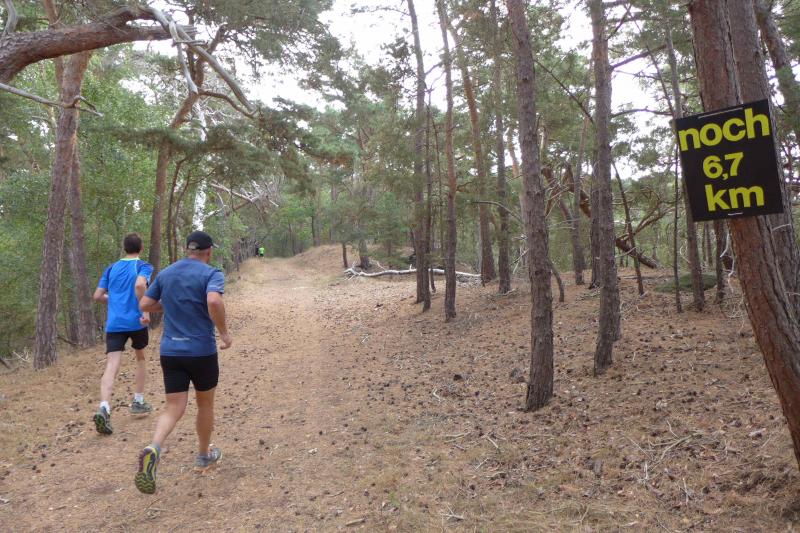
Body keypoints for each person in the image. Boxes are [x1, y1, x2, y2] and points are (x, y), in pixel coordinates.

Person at [134, 230, 232, 494]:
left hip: (171, 351)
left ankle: (154, 446)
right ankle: (203, 455)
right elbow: (214, 300)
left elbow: (145, 303)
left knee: (173, 407)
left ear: (188, 250)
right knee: (205, 404)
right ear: (208, 252)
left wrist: (169, 305)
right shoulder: (211, 274)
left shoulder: (167, 273)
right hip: (201, 351)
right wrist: (224, 333)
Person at [92, 233, 154, 435]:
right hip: (136, 321)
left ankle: (104, 406)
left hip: (114, 323)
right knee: (140, 358)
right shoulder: (143, 266)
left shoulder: (111, 268)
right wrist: (145, 310)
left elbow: (97, 296)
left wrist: (116, 300)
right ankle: (138, 400)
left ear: (124, 248)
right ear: (141, 247)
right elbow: (140, 285)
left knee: (112, 365)